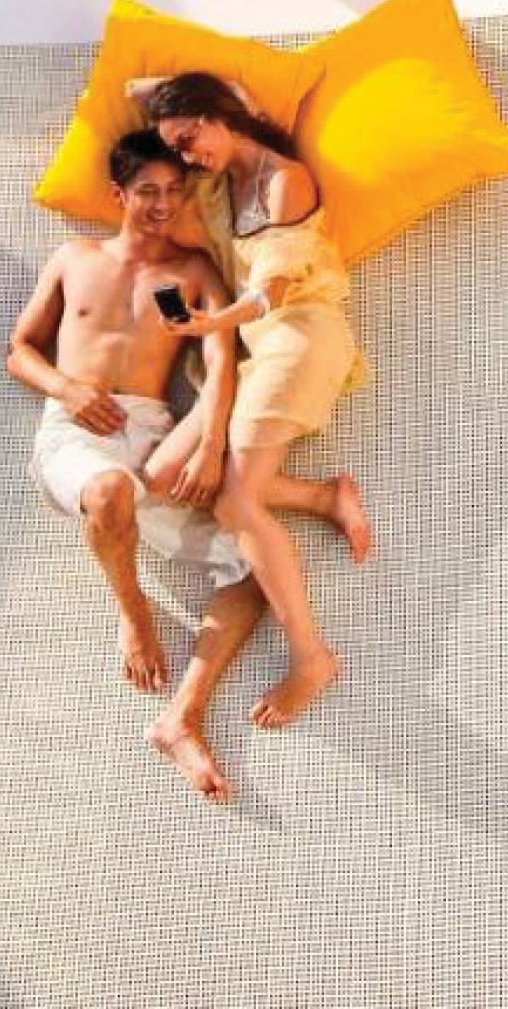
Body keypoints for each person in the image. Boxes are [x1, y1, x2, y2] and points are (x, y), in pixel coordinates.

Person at [6, 130, 360, 800]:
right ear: (118, 195)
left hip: (148, 429)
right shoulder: (76, 257)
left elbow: (222, 362)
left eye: (174, 190)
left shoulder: (191, 273)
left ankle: (182, 717)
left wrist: (205, 443)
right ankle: (135, 614)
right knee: (108, 491)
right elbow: (20, 349)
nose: (163, 204)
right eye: (148, 191)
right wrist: (68, 389)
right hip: (75, 433)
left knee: (256, 572)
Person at [144, 71, 373, 730]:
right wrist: (222, 93)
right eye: (177, 147)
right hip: (255, 350)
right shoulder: (223, 181)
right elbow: (138, 90)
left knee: (234, 500)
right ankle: (321, 497)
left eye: (189, 140)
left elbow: (272, 288)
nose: (186, 158)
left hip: (300, 336)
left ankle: (311, 656)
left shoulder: (284, 180)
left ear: (216, 118)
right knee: (164, 476)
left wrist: (214, 323)